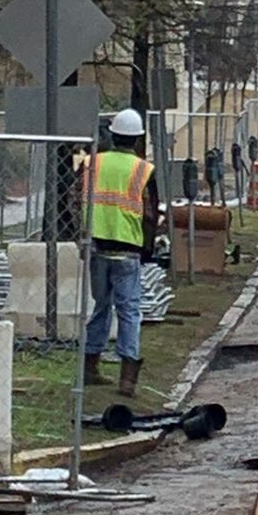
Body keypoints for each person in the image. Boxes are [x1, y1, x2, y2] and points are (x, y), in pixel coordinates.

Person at [79, 108, 159, 397]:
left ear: (111, 135)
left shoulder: (91, 164)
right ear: (137, 140)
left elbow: (74, 201)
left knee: (101, 307)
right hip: (127, 251)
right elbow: (150, 214)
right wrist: (148, 250)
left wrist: (82, 238)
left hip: (96, 246)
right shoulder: (143, 170)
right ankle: (127, 380)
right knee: (129, 311)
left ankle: (90, 366)